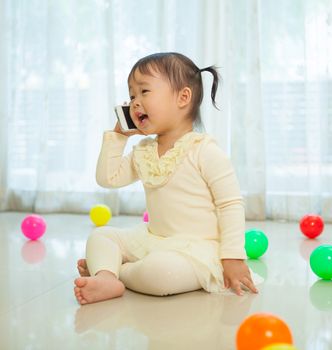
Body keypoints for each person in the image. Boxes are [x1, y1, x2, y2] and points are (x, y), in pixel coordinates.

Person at [74, 52, 259, 305]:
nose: (135, 102)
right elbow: (108, 178)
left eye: (144, 92)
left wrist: (232, 257)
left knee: (161, 274)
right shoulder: (144, 152)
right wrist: (119, 136)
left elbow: (230, 205)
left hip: (195, 250)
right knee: (101, 236)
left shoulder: (205, 150)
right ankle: (107, 276)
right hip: (153, 239)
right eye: (131, 95)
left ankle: (117, 271)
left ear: (183, 97)